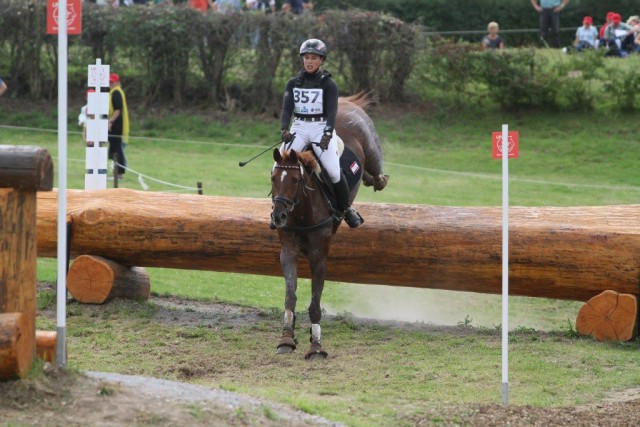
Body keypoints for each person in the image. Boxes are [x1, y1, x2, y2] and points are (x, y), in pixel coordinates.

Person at [278, 38, 363, 228]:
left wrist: (327, 133)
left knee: (333, 171)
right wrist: (284, 129)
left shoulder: (329, 84)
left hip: (320, 127)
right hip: (299, 126)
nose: (309, 61)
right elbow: (286, 110)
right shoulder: (292, 83)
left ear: (321, 60)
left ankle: (347, 208)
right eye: (306, 57)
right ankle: (278, 211)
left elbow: (332, 111)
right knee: (278, 167)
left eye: (314, 58)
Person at [108, 73, 129, 180]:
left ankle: (119, 174)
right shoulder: (117, 91)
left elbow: (117, 110)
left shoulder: (116, 92)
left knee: (117, 150)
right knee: (115, 149)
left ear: (117, 82)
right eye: (109, 82)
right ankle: (116, 173)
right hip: (116, 126)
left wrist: (110, 121)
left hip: (117, 127)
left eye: (112, 82)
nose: (110, 84)